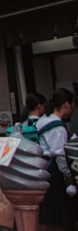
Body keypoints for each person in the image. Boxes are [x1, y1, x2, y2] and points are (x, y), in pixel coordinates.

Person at [37, 88, 75, 231]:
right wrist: (68, 177)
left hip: (40, 169)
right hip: (53, 172)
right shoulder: (58, 127)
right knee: (58, 215)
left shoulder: (42, 121)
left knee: (46, 214)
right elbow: (60, 155)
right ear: (66, 104)